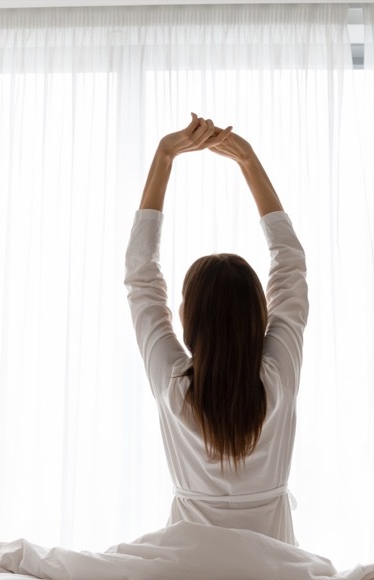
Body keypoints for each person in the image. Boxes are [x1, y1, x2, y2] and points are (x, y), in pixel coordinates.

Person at [125, 114, 308, 545]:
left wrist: (165, 157)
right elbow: (290, 265)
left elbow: (142, 280)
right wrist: (247, 160)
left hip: (185, 563)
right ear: (258, 313)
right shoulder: (277, 377)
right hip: (276, 566)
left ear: (190, 317)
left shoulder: (175, 386)